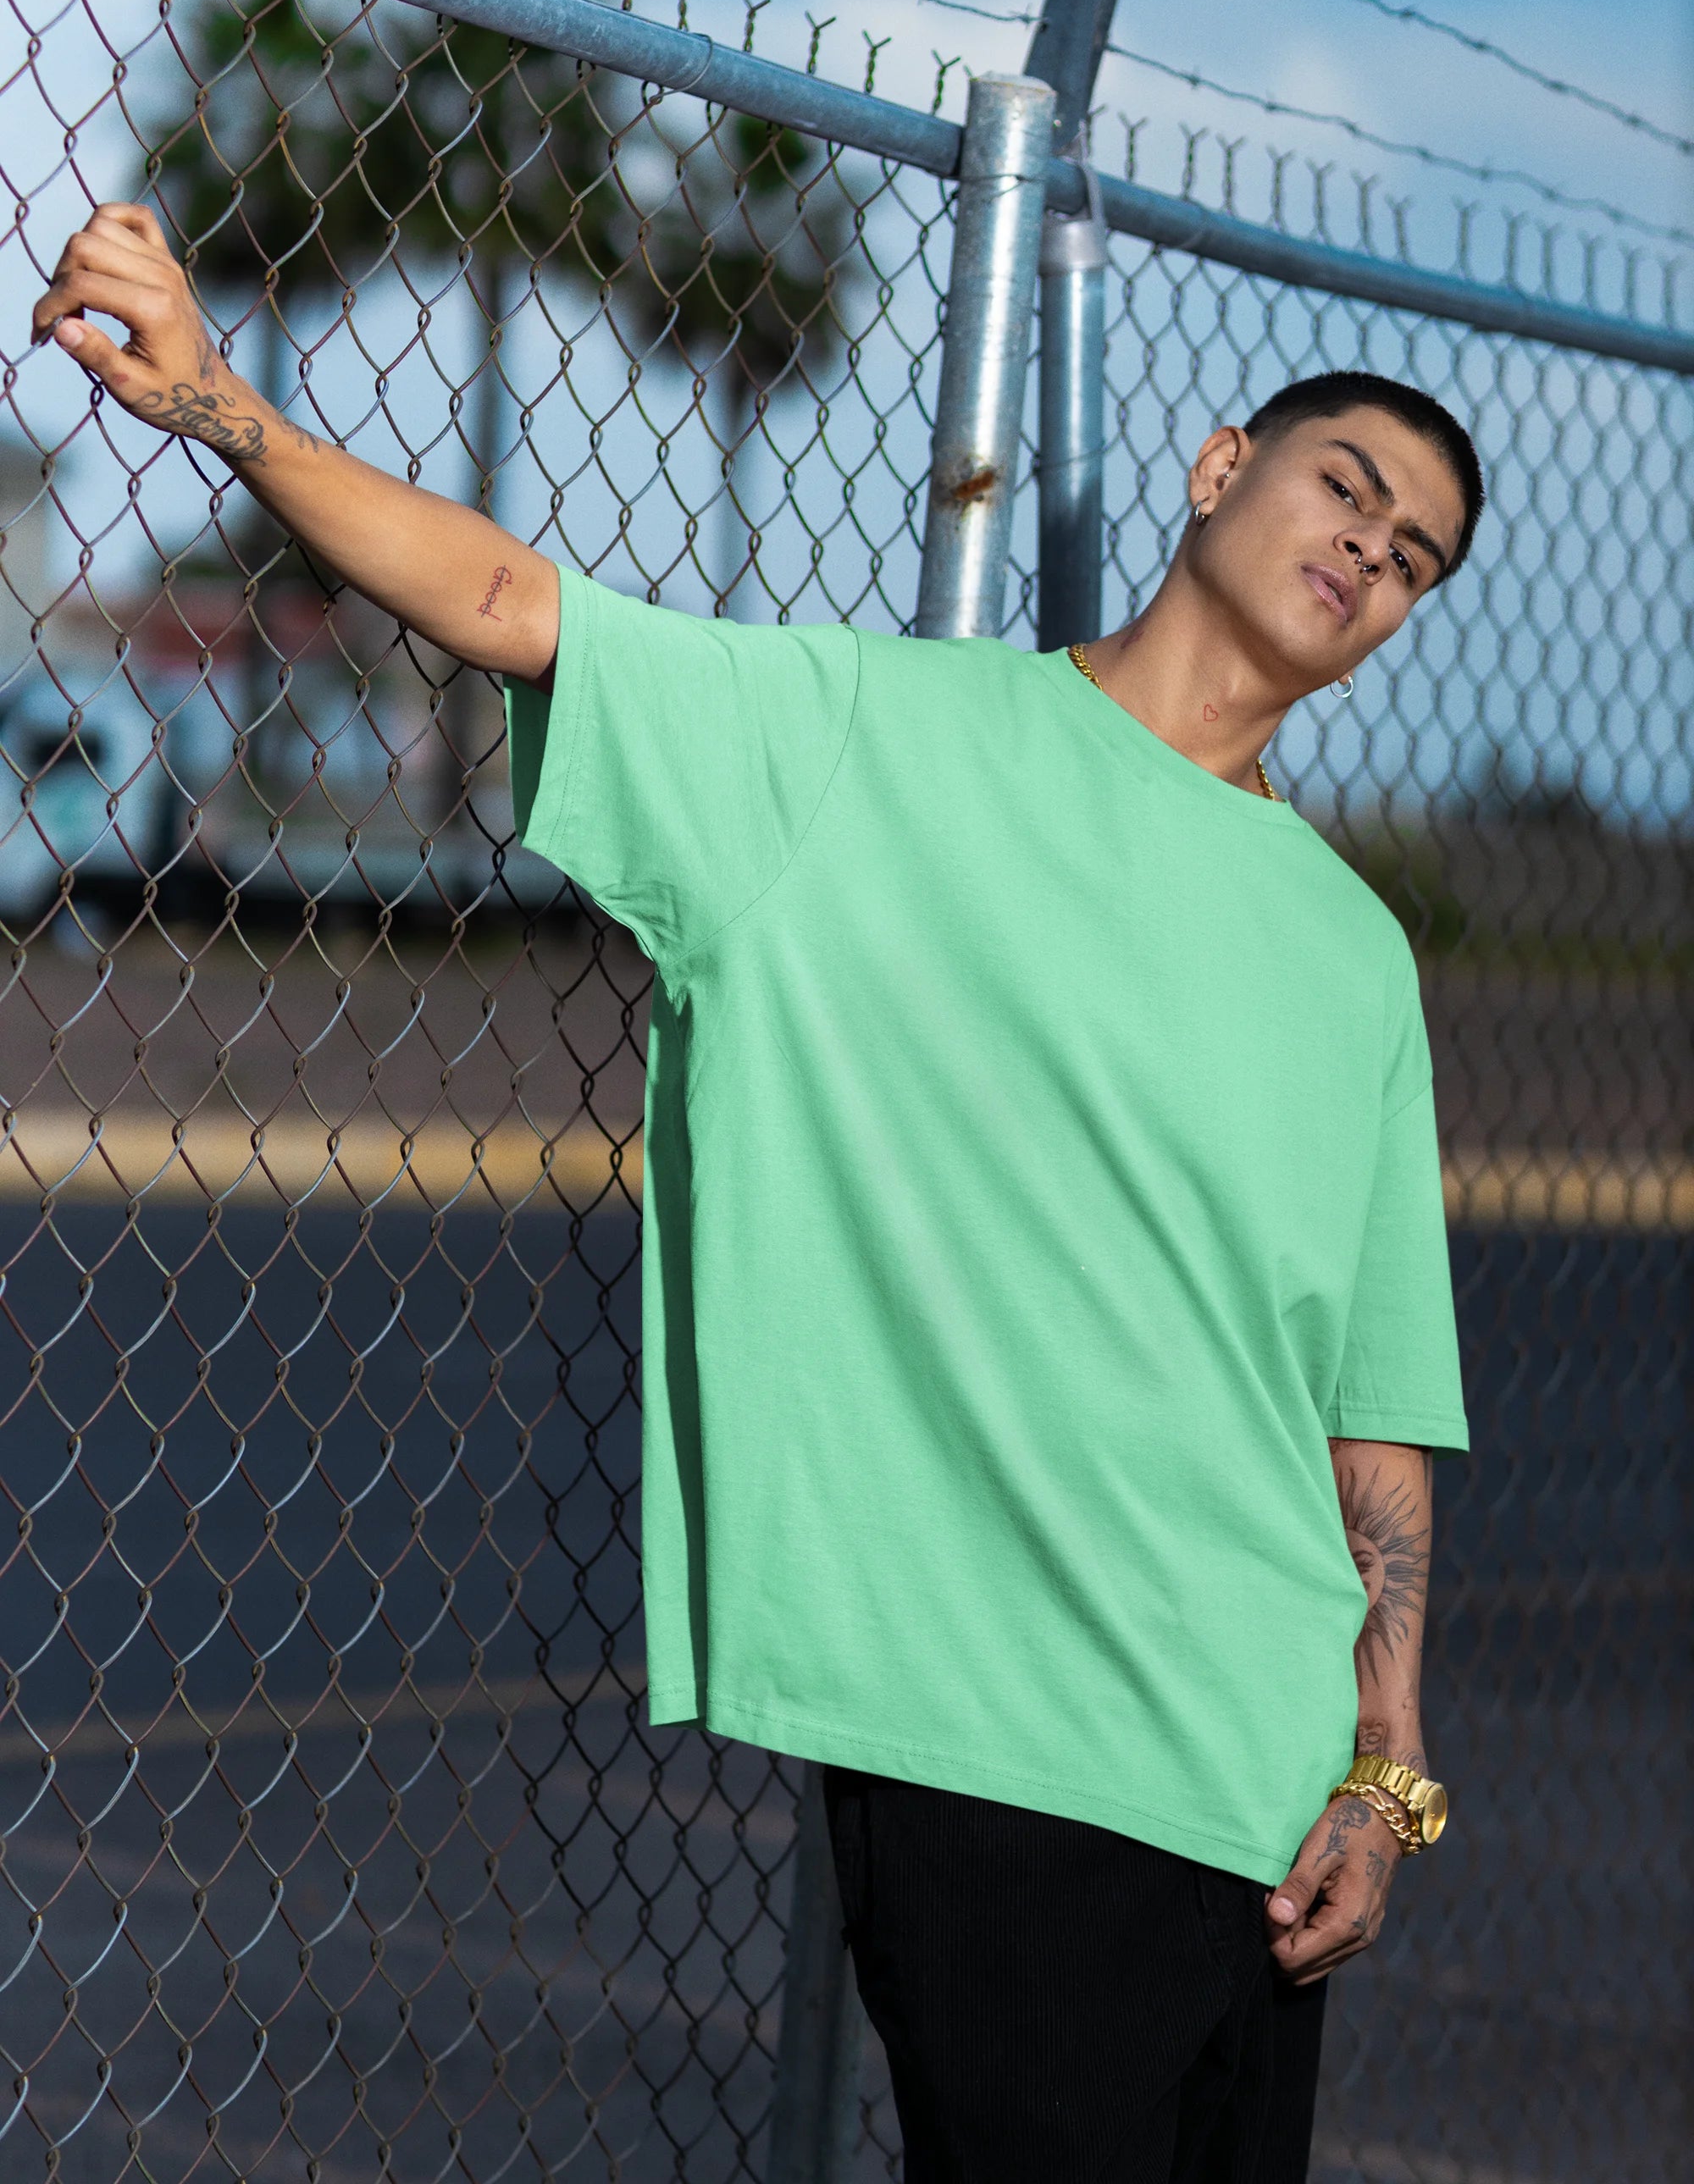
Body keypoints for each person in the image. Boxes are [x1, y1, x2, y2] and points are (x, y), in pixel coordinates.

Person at [35, 202, 1475, 2184]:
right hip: (1005, 1734)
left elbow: (1369, 1397)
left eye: (1411, 560)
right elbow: (516, 600)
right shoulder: (863, 743)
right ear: (1222, 468)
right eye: (1349, 488)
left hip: (1270, 1774)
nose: (1368, 554)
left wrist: (1381, 1763)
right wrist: (222, 409)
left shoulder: (1351, 948)